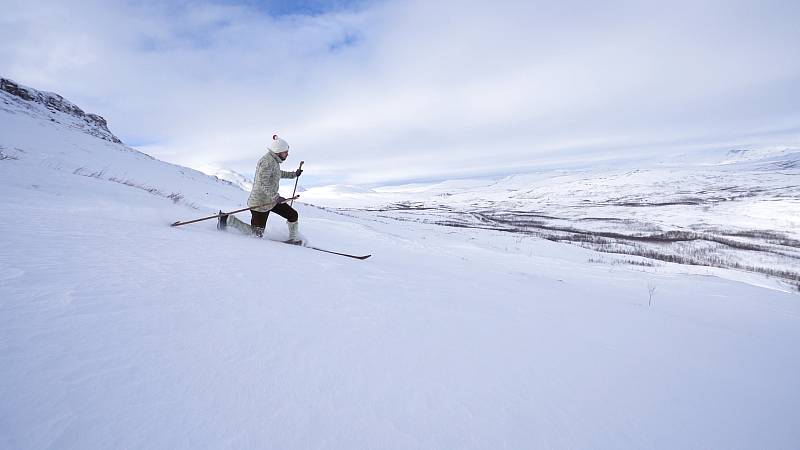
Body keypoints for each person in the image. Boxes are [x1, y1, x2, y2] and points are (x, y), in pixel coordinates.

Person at [217, 135, 304, 243]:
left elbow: (277, 173)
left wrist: (293, 174)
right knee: (257, 234)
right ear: (278, 151)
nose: (287, 154)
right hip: (260, 202)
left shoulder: (274, 161)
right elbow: (263, 183)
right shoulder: (267, 162)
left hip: (271, 200)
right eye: (285, 152)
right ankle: (227, 219)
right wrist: (276, 197)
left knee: (293, 215)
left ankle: (293, 239)